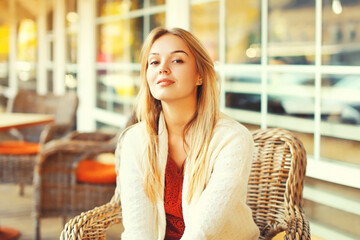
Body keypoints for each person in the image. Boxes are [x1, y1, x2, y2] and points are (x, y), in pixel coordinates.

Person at [115, 27, 260, 240]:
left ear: (199, 75)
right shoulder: (135, 140)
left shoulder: (232, 139)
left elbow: (202, 233)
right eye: (154, 62)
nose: (162, 68)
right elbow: (138, 231)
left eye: (177, 61)